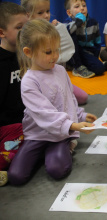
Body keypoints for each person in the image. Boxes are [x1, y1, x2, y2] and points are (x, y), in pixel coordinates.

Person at [8, 19, 97, 186]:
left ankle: (63, 146)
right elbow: (44, 113)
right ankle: (46, 151)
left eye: (57, 50)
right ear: (28, 52)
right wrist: (72, 125)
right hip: (37, 134)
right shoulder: (29, 81)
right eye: (48, 52)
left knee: (58, 170)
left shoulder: (61, 70)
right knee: (16, 177)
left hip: (59, 134)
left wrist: (80, 115)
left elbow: (68, 99)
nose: (55, 56)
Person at [21, 0, 88, 105]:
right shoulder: (28, 38)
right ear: (28, 15)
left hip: (54, 75)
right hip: (41, 82)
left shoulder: (52, 29)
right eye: (40, 13)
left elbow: (67, 50)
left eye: (48, 11)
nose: (46, 15)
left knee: (82, 97)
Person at [0, 2, 28, 187]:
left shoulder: (25, 55)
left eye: (26, 27)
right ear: (2, 32)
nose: (24, 33)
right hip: (9, 126)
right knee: (19, 145)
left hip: (25, 121)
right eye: (19, 28)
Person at [64, 0, 107, 78]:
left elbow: (97, 42)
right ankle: (77, 66)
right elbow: (67, 33)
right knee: (71, 34)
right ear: (69, 13)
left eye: (84, 5)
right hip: (74, 54)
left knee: (99, 69)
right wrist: (78, 22)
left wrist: (95, 57)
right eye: (77, 6)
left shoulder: (93, 22)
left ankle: (96, 65)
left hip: (87, 53)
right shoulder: (68, 23)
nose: (82, 8)